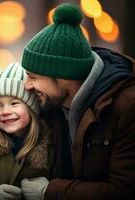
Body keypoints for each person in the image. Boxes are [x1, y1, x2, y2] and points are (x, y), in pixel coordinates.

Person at [19, 3, 135, 200]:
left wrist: (48, 191)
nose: (26, 85)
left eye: (33, 77)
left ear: (64, 75)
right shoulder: (51, 104)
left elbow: (123, 190)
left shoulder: (127, 107)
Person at [0, 63, 54, 200]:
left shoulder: (50, 143)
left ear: (32, 109)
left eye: (14, 103)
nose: (6, 112)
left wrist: (46, 192)